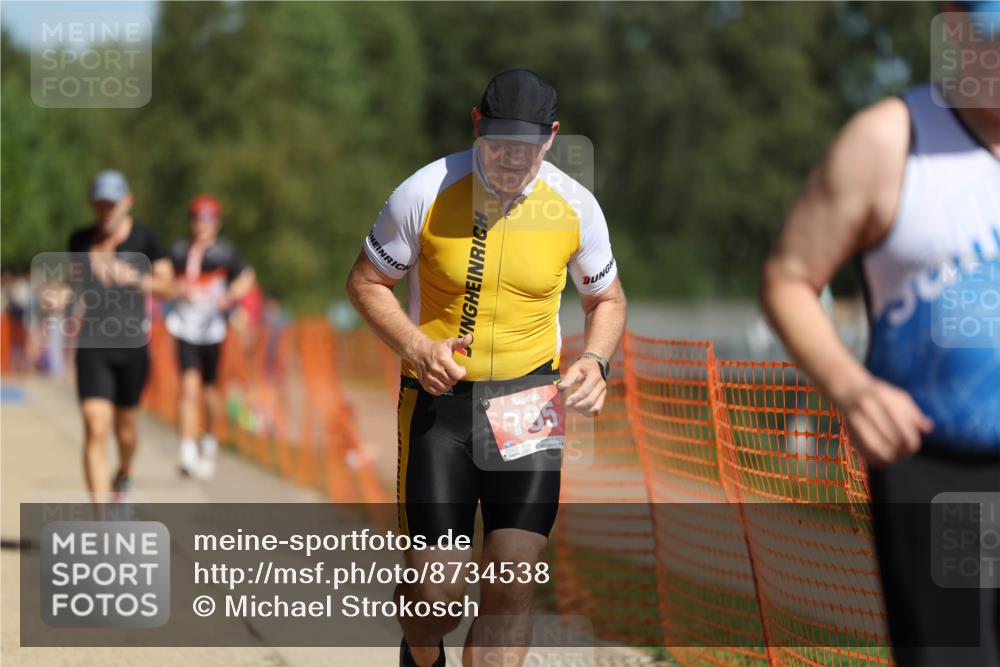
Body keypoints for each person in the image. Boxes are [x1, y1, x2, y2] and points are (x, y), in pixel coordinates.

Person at [347, 69, 627, 667]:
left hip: (528, 403)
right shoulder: (424, 191)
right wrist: (415, 347)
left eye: (524, 149)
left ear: (550, 138)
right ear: (477, 125)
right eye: (497, 143)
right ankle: (420, 651)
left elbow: (607, 300)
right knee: (437, 597)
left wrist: (597, 360)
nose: (508, 158)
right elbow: (367, 283)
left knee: (512, 581)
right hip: (438, 405)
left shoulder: (575, 206)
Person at [760, 5, 999, 665]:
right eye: (993, 39)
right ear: (954, 30)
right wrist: (852, 387)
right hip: (943, 468)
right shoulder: (890, 140)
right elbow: (788, 277)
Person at [67, 170, 174, 504]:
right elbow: (76, 287)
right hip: (92, 343)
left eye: (112, 203)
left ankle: (124, 472)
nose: (106, 210)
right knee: (94, 425)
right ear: (92, 205)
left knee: (125, 431)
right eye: (100, 204)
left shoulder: (146, 239)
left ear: (127, 202)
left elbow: (169, 286)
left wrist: (133, 278)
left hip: (132, 345)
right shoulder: (80, 241)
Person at [167, 194, 255, 479]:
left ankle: (209, 439)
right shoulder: (179, 251)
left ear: (215, 224)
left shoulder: (225, 253)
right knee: (188, 387)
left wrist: (229, 297)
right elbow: (163, 279)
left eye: (206, 220)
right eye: (196, 219)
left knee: (209, 392)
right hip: (184, 328)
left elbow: (246, 278)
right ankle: (186, 448)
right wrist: (174, 288)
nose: (200, 226)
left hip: (213, 332)